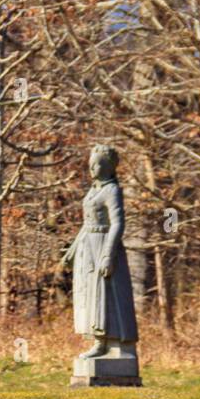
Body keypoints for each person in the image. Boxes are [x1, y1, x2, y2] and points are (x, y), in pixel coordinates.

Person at [62, 143, 138, 358]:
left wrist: (107, 255)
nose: (92, 169)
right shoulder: (93, 189)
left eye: (97, 165)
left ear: (109, 167)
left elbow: (118, 223)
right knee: (89, 295)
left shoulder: (112, 190)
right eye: (91, 164)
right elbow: (87, 223)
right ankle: (97, 340)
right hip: (88, 245)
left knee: (104, 295)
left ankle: (108, 344)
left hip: (103, 245)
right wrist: (73, 249)